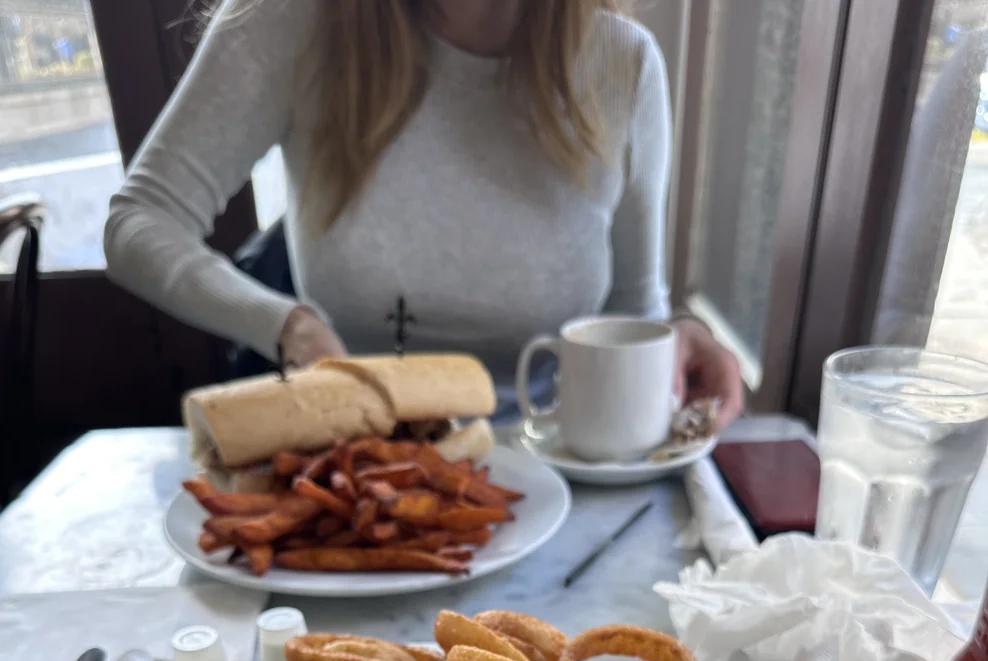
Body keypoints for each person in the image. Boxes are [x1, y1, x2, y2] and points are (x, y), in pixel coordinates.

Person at [105, 0, 743, 424]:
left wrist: (671, 337)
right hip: (348, 459)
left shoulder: (623, 63)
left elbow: (634, 310)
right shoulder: (288, 24)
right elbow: (139, 221)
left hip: (557, 470)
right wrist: (287, 325)